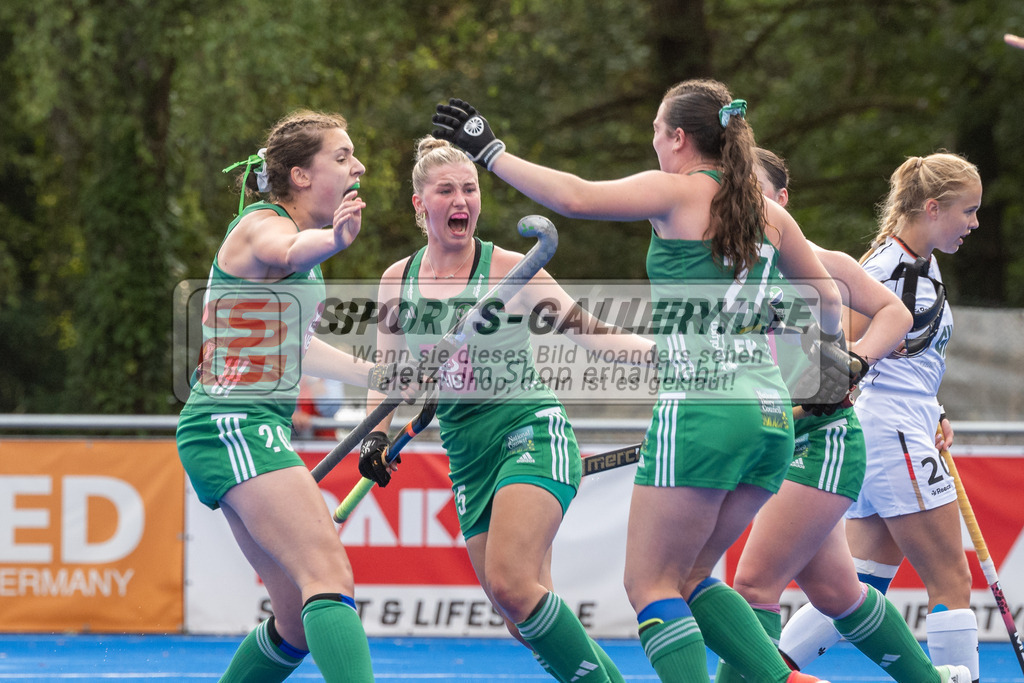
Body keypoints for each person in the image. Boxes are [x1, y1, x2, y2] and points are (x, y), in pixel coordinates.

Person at [430, 81, 842, 683]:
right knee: (693, 576)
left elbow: (573, 196)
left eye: (655, 131)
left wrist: (491, 151)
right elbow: (828, 300)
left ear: (679, 138)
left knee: (648, 584)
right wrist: (829, 376)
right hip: (771, 414)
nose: (653, 143)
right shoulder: (768, 211)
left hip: (701, 406)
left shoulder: (676, 191)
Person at [358, 135, 657, 682]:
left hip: (529, 427)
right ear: (418, 204)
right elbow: (389, 377)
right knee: (522, 617)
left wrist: (677, 361)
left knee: (512, 584)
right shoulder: (396, 281)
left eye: (470, 189)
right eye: (445, 190)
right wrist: (375, 437)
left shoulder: (512, 268)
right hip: (467, 453)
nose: (461, 200)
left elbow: (594, 336)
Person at [712, 148, 970, 683]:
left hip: (830, 437)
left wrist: (855, 372)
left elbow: (861, 346)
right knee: (842, 590)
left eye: (750, 193)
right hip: (826, 435)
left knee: (771, 584)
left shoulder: (829, 267)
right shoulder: (724, 272)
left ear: (782, 201)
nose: (735, 204)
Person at [176, 110, 391, 682]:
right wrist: (335, 239)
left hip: (235, 426)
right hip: (234, 422)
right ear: (300, 176)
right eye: (342, 157)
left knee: (296, 622)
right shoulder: (261, 226)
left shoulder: (295, 246)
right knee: (328, 574)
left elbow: (298, 348)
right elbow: (289, 252)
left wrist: (376, 375)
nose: (358, 166)